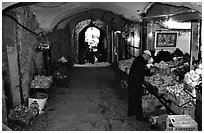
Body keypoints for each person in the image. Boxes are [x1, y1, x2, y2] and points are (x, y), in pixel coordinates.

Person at [128, 50, 153, 121]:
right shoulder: (141, 61)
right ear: (146, 55)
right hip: (136, 82)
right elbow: (142, 72)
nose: (148, 59)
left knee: (132, 97)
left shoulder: (138, 59)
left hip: (132, 81)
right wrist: (150, 72)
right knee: (137, 99)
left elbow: (141, 71)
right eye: (148, 57)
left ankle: (131, 112)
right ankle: (139, 117)